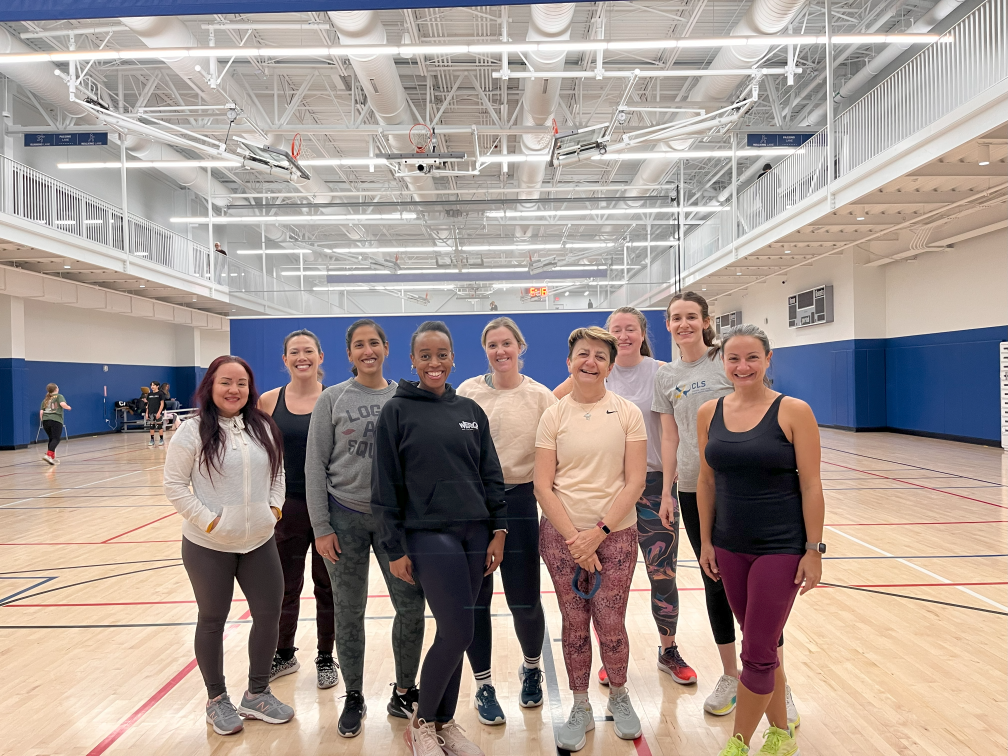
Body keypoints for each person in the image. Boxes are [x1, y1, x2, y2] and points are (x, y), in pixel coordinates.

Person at [653, 292, 800, 724]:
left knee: (764, 600)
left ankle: (777, 682)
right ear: (667, 325)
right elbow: (668, 436)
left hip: (744, 489)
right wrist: (666, 491)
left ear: (705, 321)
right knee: (715, 583)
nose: (684, 324)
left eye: (691, 317)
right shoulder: (666, 375)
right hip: (695, 489)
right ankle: (730, 675)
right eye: (676, 318)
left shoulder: (728, 358)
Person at [372, 321, 506, 756]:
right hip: (428, 534)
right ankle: (423, 723)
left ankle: (444, 723)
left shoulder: (470, 410)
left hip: (476, 533)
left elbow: (490, 474)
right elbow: (385, 484)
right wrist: (394, 548)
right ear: (412, 361)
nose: (434, 362)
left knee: (460, 635)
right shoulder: (396, 411)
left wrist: (499, 529)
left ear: (452, 358)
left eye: (442, 354)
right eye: (425, 355)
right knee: (457, 629)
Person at [696, 324, 825, 756]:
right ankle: (783, 733)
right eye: (734, 358)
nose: (743, 365)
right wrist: (707, 543)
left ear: (768, 360)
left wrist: (813, 550)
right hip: (729, 545)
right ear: (723, 363)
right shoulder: (708, 412)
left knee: (755, 651)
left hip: (781, 546)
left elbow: (811, 484)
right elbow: (707, 481)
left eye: (752, 357)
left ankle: (737, 743)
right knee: (762, 644)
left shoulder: (794, 411)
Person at [553, 307, 696, 687]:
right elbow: (552, 404)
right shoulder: (594, 369)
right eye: (617, 330)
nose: (625, 335)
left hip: (651, 487)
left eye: (631, 328)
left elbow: (670, 433)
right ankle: (609, 654)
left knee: (661, 573)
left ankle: (669, 649)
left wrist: (668, 490)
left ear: (643, 332)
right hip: (606, 492)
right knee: (603, 581)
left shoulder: (661, 372)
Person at [306, 319, 427, 738]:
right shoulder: (332, 399)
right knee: (348, 610)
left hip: (396, 521)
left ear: (386, 348)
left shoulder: (405, 397)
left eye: (373, 342)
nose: (367, 350)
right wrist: (321, 525)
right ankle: (354, 695)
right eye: (359, 345)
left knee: (411, 607)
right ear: (349, 353)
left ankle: (405, 690)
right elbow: (314, 464)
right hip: (344, 517)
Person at [162, 355, 294, 737]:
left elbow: (278, 473)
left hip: (259, 541)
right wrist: (211, 521)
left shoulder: (263, 427)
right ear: (211, 386)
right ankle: (216, 699)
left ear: (250, 388)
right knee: (212, 619)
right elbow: (173, 486)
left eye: (241, 383)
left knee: (269, 615)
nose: (234, 390)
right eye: (225, 382)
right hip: (208, 545)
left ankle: (257, 693)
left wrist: (273, 509)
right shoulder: (191, 431)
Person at [534, 326, 647, 751]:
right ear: (569, 362)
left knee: (611, 620)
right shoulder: (554, 414)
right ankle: (579, 704)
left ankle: (619, 695)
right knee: (574, 622)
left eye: (600, 356)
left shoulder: (627, 413)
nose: (590, 362)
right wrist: (574, 538)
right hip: (561, 536)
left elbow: (634, 481)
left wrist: (596, 535)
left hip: (614, 535)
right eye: (583, 354)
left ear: (610, 366)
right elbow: (543, 486)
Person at [457, 317, 556, 724]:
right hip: (473, 505)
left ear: (520, 347)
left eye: (507, 344)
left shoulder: (540, 397)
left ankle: (532, 669)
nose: (500, 351)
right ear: (485, 351)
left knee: (524, 599)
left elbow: (555, 457)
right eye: (492, 345)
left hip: (518, 502)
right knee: (476, 601)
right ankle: (483, 686)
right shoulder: (466, 392)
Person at [257, 330, 337, 692]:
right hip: (285, 508)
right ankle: (284, 652)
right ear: (285, 360)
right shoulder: (268, 401)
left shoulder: (335, 399)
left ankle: (325, 657)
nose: (302, 357)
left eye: (308, 351)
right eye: (294, 352)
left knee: (328, 588)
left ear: (320, 357)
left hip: (330, 508)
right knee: (285, 587)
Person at [39, 383, 70, 465]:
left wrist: (43, 420)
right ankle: (49, 455)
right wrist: (68, 407)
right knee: (56, 438)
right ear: (56, 389)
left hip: (46, 421)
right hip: (56, 420)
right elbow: (62, 404)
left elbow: (41, 412)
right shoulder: (59, 396)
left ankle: (52, 457)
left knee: (51, 438)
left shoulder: (45, 399)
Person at [146, 381, 165, 447]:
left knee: (159, 426)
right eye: (151, 385)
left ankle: (161, 439)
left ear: (157, 386)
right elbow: (148, 404)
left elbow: (162, 404)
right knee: (151, 426)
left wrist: (159, 412)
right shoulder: (149, 394)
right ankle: (152, 440)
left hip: (158, 412)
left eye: (153, 385)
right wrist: (147, 413)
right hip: (151, 412)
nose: (152, 387)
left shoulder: (160, 394)